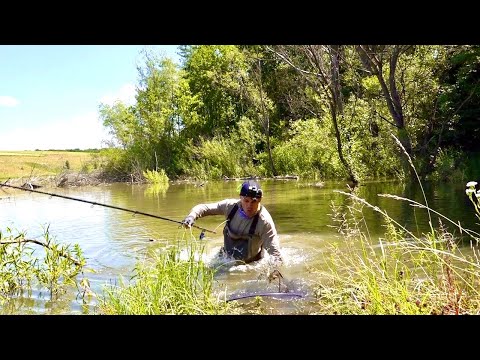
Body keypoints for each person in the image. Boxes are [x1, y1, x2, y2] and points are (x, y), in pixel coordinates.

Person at [182, 180, 283, 265]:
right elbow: (204, 208)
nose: (249, 206)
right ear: (240, 197)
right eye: (246, 200)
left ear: (260, 200)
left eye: (254, 201)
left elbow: (276, 254)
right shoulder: (230, 207)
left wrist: (276, 272)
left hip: (250, 266)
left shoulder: (264, 222)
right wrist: (192, 216)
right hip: (225, 257)